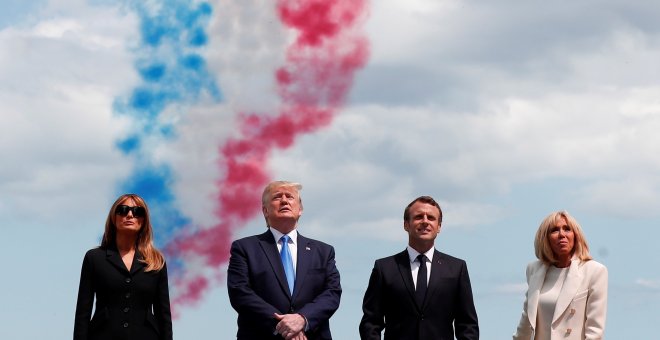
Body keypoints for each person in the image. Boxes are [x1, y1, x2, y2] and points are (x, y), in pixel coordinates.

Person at [227, 181, 341, 340]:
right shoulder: (245, 248)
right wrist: (283, 325)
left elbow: (332, 293)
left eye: (290, 197)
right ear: (265, 210)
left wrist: (302, 319)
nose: (284, 200)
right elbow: (240, 293)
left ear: (300, 209)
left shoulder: (323, 251)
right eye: (277, 197)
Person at [359, 195, 479, 340]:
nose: (425, 221)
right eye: (418, 217)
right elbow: (371, 322)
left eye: (431, 218)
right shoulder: (384, 268)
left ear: (439, 226)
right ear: (406, 224)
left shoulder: (456, 268)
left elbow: (467, 325)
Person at [73, 194, 173, 340]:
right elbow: (83, 313)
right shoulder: (94, 258)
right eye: (123, 210)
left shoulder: (156, 261)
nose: (130, 214)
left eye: (137, 211)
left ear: (144, 220)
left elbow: (163, 315)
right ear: (114, 217)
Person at [513, 211, 608, 340]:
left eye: (567, 229)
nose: (561, 234)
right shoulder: (534, 270)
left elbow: (595, 331)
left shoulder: (595, 271)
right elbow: (526, 321)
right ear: (545, 238)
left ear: (576, 235)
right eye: (554, 230)